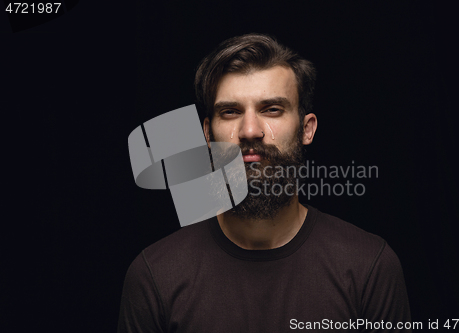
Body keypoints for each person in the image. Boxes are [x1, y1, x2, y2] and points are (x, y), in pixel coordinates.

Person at [118, 33, 412, 332]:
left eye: (271, 109)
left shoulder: (369, 267)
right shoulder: (155, 275)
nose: (249, 130)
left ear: (307, 129)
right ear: (207, 135)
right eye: (230, 112)